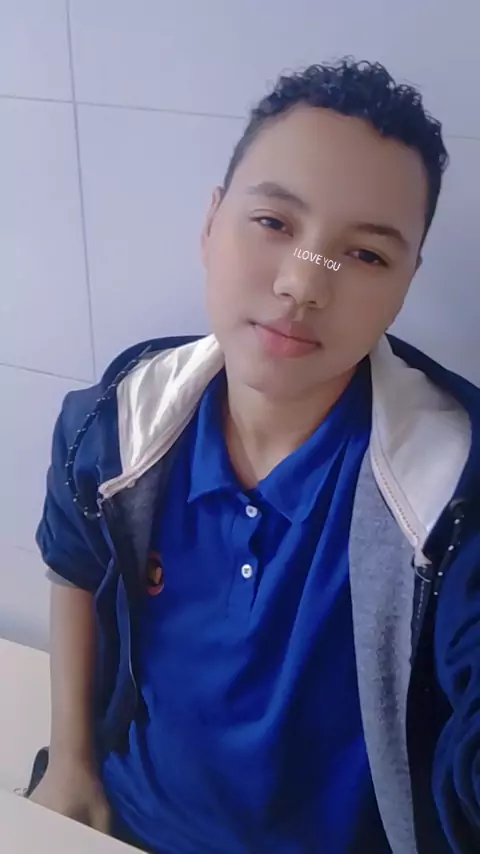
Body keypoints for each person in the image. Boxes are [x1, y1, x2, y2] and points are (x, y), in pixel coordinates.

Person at [29, 57, 480, 854]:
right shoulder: (122, 419)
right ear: (211, 224)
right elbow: (72, 557)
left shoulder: (450, 492)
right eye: (274, 223)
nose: (304, 285)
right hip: (128, 822)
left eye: (367, 256)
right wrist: (70, 765)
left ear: (407, 282)